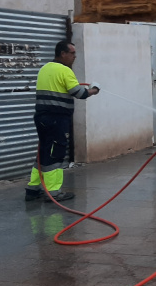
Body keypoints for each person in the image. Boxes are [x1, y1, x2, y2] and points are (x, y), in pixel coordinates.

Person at [25, 41, 100, 202]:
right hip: (56, 119)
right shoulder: (65, 70)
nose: (75, 56)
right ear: (62, 53)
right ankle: (53, 192)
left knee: (43, 152)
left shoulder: (44, 68)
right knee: (55, 154)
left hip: (41, 117)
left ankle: (32, 189)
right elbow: (79, 93)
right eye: (72, 53)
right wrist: (94, 89)